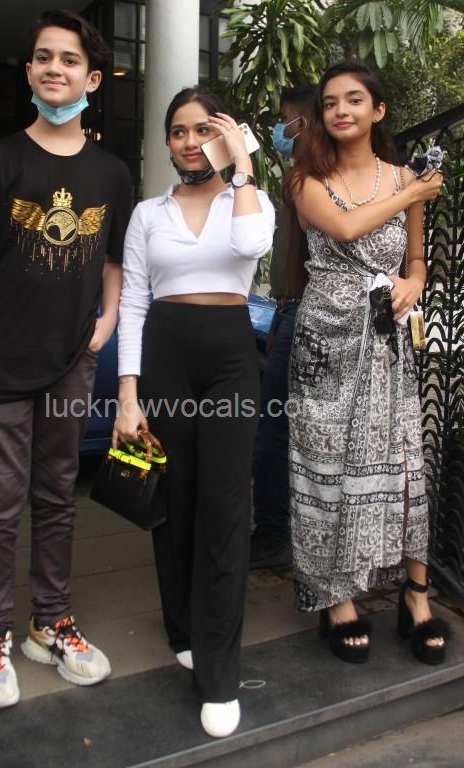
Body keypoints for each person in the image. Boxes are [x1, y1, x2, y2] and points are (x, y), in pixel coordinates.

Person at [0, 10, 132, 709]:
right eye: (44, 57)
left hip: (68, 363)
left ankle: (49, 623)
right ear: (28, 71)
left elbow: (113, 263)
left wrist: (106, 321)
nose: (56, 68)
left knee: (57, 498)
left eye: (70, 59)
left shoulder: (111, 174)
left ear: (92, 79)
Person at [114, 88, 275, 737]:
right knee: (173, 499)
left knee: (225, 506)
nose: (189, 141)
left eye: (203, 129)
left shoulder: (249, 198)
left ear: (224, 135)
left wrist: (243, 165)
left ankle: (219, 671)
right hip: (166, 356)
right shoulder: (147, 214)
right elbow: (132, 302)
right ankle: (181, 625)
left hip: (231, 356)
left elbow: (253, 243)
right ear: (166, 142)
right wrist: (128, 394)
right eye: (178, 131)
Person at [287, 59, 448, 664]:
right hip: (324, 344)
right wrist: (412, 192)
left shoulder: (405, 178)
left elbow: (416, 258)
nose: (341, 110)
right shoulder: (306, 178)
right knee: (323, 464)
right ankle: (335, 597)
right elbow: (347, 228)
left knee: (404, 461)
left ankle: (416, 594)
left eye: (354, 99)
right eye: (330, 102)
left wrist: (414, 283)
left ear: (377, 110)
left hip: (384, 341)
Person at [250, 86, 314, 569]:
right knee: (279, 420)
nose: (279, 129)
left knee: (273, 424)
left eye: (284, 120)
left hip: (302, 308)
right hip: (289, 307)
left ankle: (275, 533)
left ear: (302, 124)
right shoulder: (302, 175)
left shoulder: (310, 179)